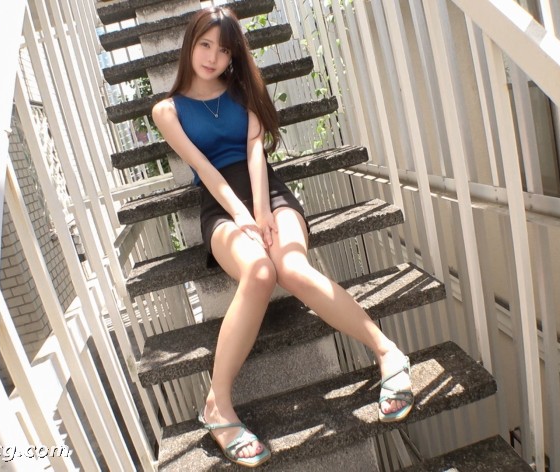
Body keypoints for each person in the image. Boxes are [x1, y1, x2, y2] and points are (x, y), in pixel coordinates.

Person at [152, 6, 414, 467]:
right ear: (190, 43)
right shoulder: (167, 110)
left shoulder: (242, 90)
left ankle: (387, 351)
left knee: (290, 267)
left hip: (268, 192)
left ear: (233, 56)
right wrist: (242, 217)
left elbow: (255, 150)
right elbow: (204, 169)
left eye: (223, 50)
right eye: (205, 44)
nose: (212, 57)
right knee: (258, 271)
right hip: (220, 207)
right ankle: (217, 404)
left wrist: (262, 212)